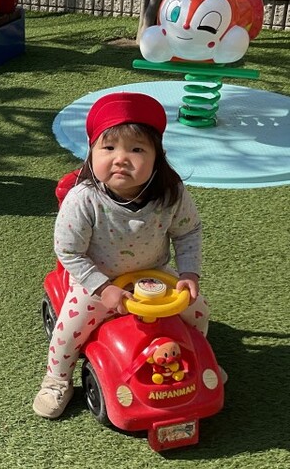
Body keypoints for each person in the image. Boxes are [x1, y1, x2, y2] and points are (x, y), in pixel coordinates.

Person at [33, 92, 210, 419]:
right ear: (91, 152)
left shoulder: (171, 194)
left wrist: (188, 273)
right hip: (96, 280)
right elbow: (69, 251)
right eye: (109, 148)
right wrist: (103, 288)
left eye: (137, 149)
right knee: (69, 329)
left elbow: (188, 232)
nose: (121, 159)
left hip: (154, 277)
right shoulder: (84, 199)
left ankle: (199, 363)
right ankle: (57, 379)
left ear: (157, 157)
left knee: (198, 310)